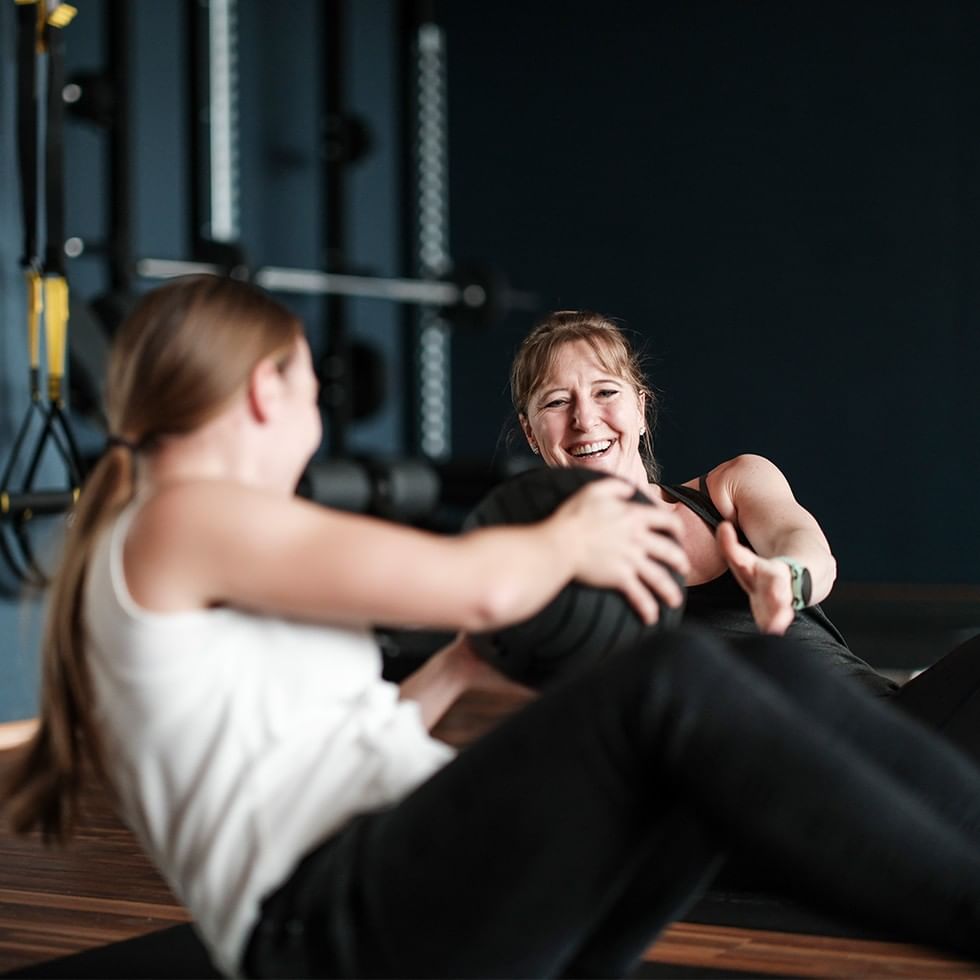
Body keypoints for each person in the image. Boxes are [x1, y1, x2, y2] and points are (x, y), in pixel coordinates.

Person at [7, 277, 980, 979]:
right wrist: (567, 537)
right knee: (675, 680)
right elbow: (474, 583)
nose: (311, 409)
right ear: (268, 389)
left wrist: (458, 668)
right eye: (310, 388)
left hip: (393, 875)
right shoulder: (187, 515)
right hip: (332, 922)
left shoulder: (194, 531)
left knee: (747, 692)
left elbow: (343, 728)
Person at [510, 309, 980, 761]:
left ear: (640, 406)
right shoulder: (541, 569)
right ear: (532, 434)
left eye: (606, 392)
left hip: (887, 730)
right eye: (557, 401)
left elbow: (803, 545)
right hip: (778, 783)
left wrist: (786, 578)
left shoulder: (730, 486)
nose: (585, 419)